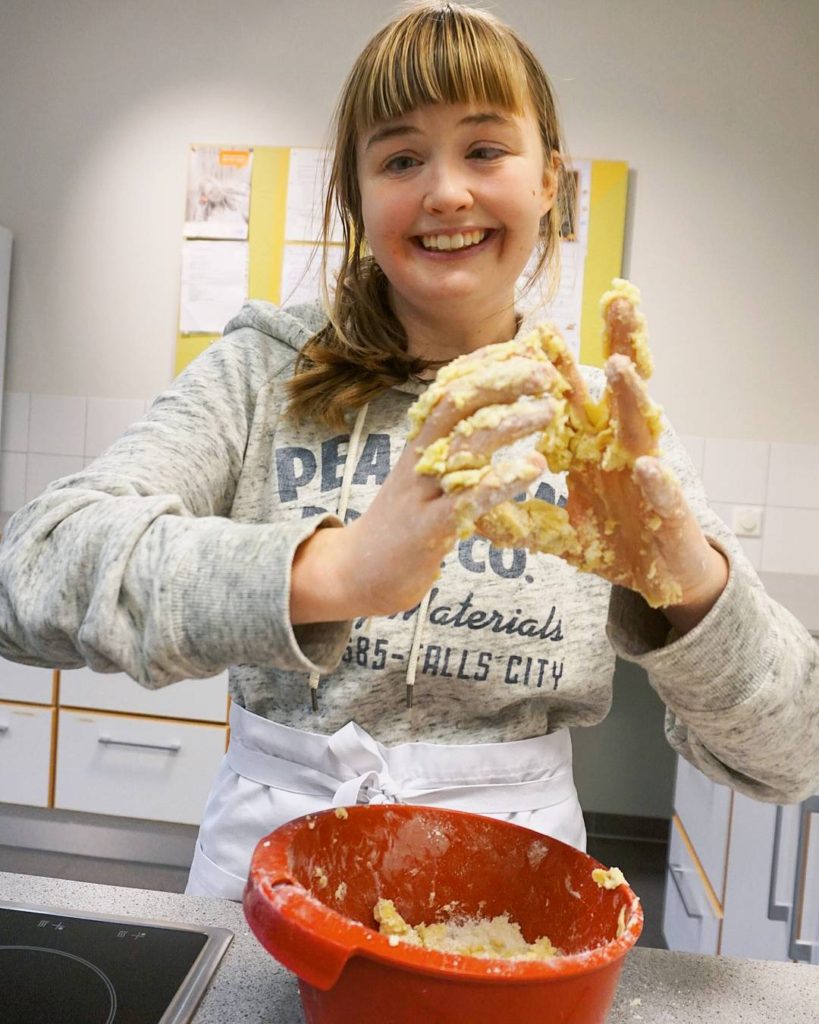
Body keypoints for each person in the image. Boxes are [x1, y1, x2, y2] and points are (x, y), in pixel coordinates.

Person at [0, 2, 816, 902]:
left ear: (549, 179)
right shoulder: (260, 375)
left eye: (483, 149)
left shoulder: (598, 426)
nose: (445, 193)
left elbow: (793, 759)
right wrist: (334, 571)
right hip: (271, 880)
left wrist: (691, 587)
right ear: (357, 195)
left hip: (518, 892)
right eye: (399, 158)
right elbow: (30, 574)